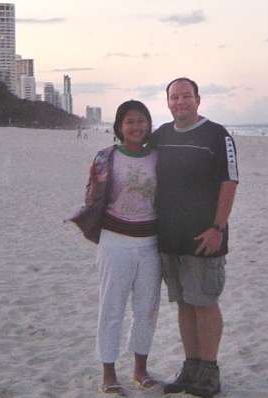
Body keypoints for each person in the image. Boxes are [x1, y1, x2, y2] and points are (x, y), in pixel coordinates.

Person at [150, 77, 238, 398]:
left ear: (198, 100)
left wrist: (217, 227)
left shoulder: (217, 135)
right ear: (168, 102)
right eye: (174, 97)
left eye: (186, 96)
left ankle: (209, 370)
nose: (180, 102)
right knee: (185, 304)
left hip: (205, 237)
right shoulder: (160, 136)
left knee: (205, 303)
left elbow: (230, 183)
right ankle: (191, 367)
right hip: (170, 239)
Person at [70, 100, 162, 396]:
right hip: (115, 242)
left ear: (149, 125)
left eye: (142, 121)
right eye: (130, 122)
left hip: (151, 244)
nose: (137, 127)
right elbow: (92, 197)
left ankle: (140, 369)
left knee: (146, 309)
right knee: (111, 308)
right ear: (120, 127)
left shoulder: (159, 157)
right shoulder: (105, 157)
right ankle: (108, 373)